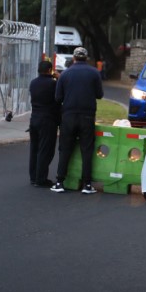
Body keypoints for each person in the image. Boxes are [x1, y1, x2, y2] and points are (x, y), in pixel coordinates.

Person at [51, 46, 103, 194]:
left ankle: (60, 181)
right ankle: (87, 184)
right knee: (87, 150)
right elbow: (99, 94)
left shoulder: (65, 74)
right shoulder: (94, 73)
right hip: (87, 116)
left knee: (65, 148)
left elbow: (58, 97)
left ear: (73, 58)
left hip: (68, 116)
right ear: (86, 58)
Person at [28, 60, 60, 187]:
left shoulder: (33, 83)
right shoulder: (52, 84)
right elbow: (58, 99)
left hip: (34, 118)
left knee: (34, 149)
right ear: (49, 70)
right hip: (47, 120)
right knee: (45, 150)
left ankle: (33, 177)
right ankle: (41, 178)